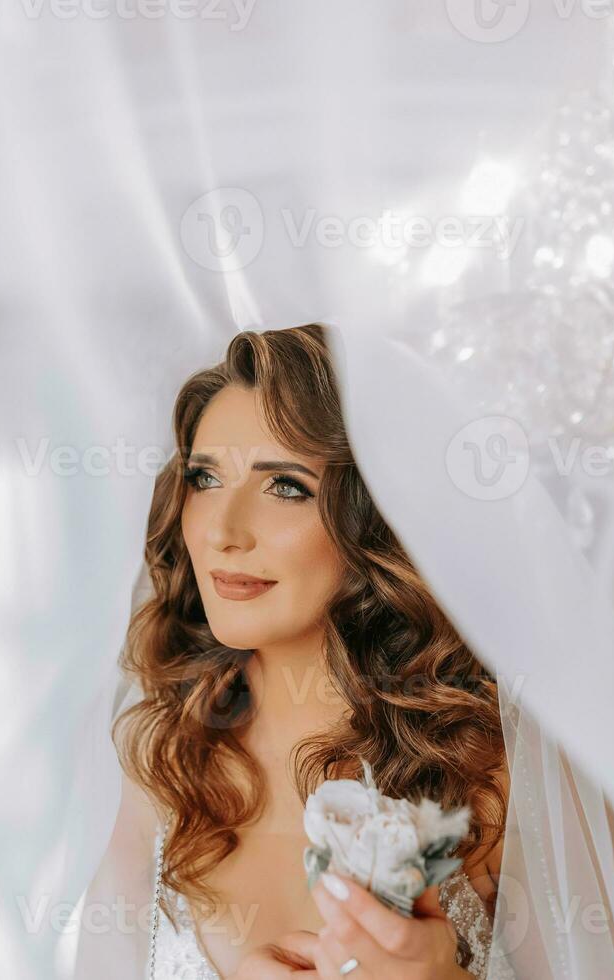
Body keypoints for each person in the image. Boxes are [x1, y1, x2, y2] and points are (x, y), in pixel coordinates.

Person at [109, 324, 506, 979]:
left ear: (374, 516)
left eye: (286, 486)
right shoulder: (163, 764)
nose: (223, 532)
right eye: (205, 478)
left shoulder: (485, 773)